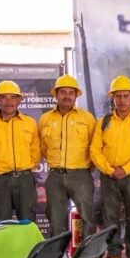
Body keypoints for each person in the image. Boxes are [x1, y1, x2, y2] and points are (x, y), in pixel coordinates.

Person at [90, 75, 130, 258]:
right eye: (118, 96)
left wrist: (125, 169)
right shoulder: (103, 122)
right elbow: (95, 150)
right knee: (110, 217)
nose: (122, 100)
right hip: (109, 175)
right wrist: (110, 170)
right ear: (113, 98)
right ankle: (114, 255)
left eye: (126, 96)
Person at [38, 74, 97, 240]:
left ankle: (89, 252)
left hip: (81, 175)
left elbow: (95, 146)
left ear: (76, 95)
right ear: (56, 95)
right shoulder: (45, 119)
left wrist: (86, 169)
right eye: (63, 92)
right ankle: (58, 253)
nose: (67, 96)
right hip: (55, 176)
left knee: (87, 217)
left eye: (71, 92)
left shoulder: (87, 118)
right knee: (55, 218)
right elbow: (43, 147)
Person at [0, 80, 40, 221]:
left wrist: (28, 169)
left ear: (19, 100)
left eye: (13, 98)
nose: (8, 102)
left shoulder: (30, 123)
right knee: (1, 222)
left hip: (24, 180)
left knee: (27, 221)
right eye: (4, 97)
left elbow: (35, 149)